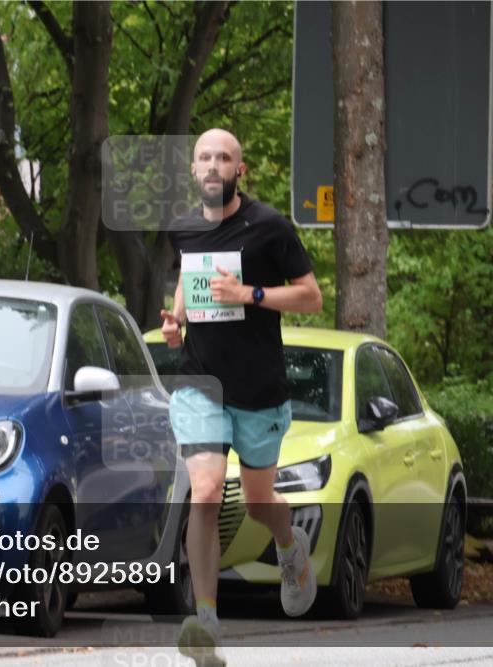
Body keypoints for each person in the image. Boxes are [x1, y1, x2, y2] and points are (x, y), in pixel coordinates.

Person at [161, 129, 323, 666]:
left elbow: (311, 296)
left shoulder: (269, 228)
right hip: (200, 384)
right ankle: (206, 623)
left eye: (223, 158)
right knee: (205, 492)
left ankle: (288, 543)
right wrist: (175, 320)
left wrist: (249, 295)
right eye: (205, 157)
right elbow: (188, 279)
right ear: (193, 169)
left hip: (258, 391)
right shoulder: (182, 228)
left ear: (239, 170)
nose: (213, 166)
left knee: (257, 503)